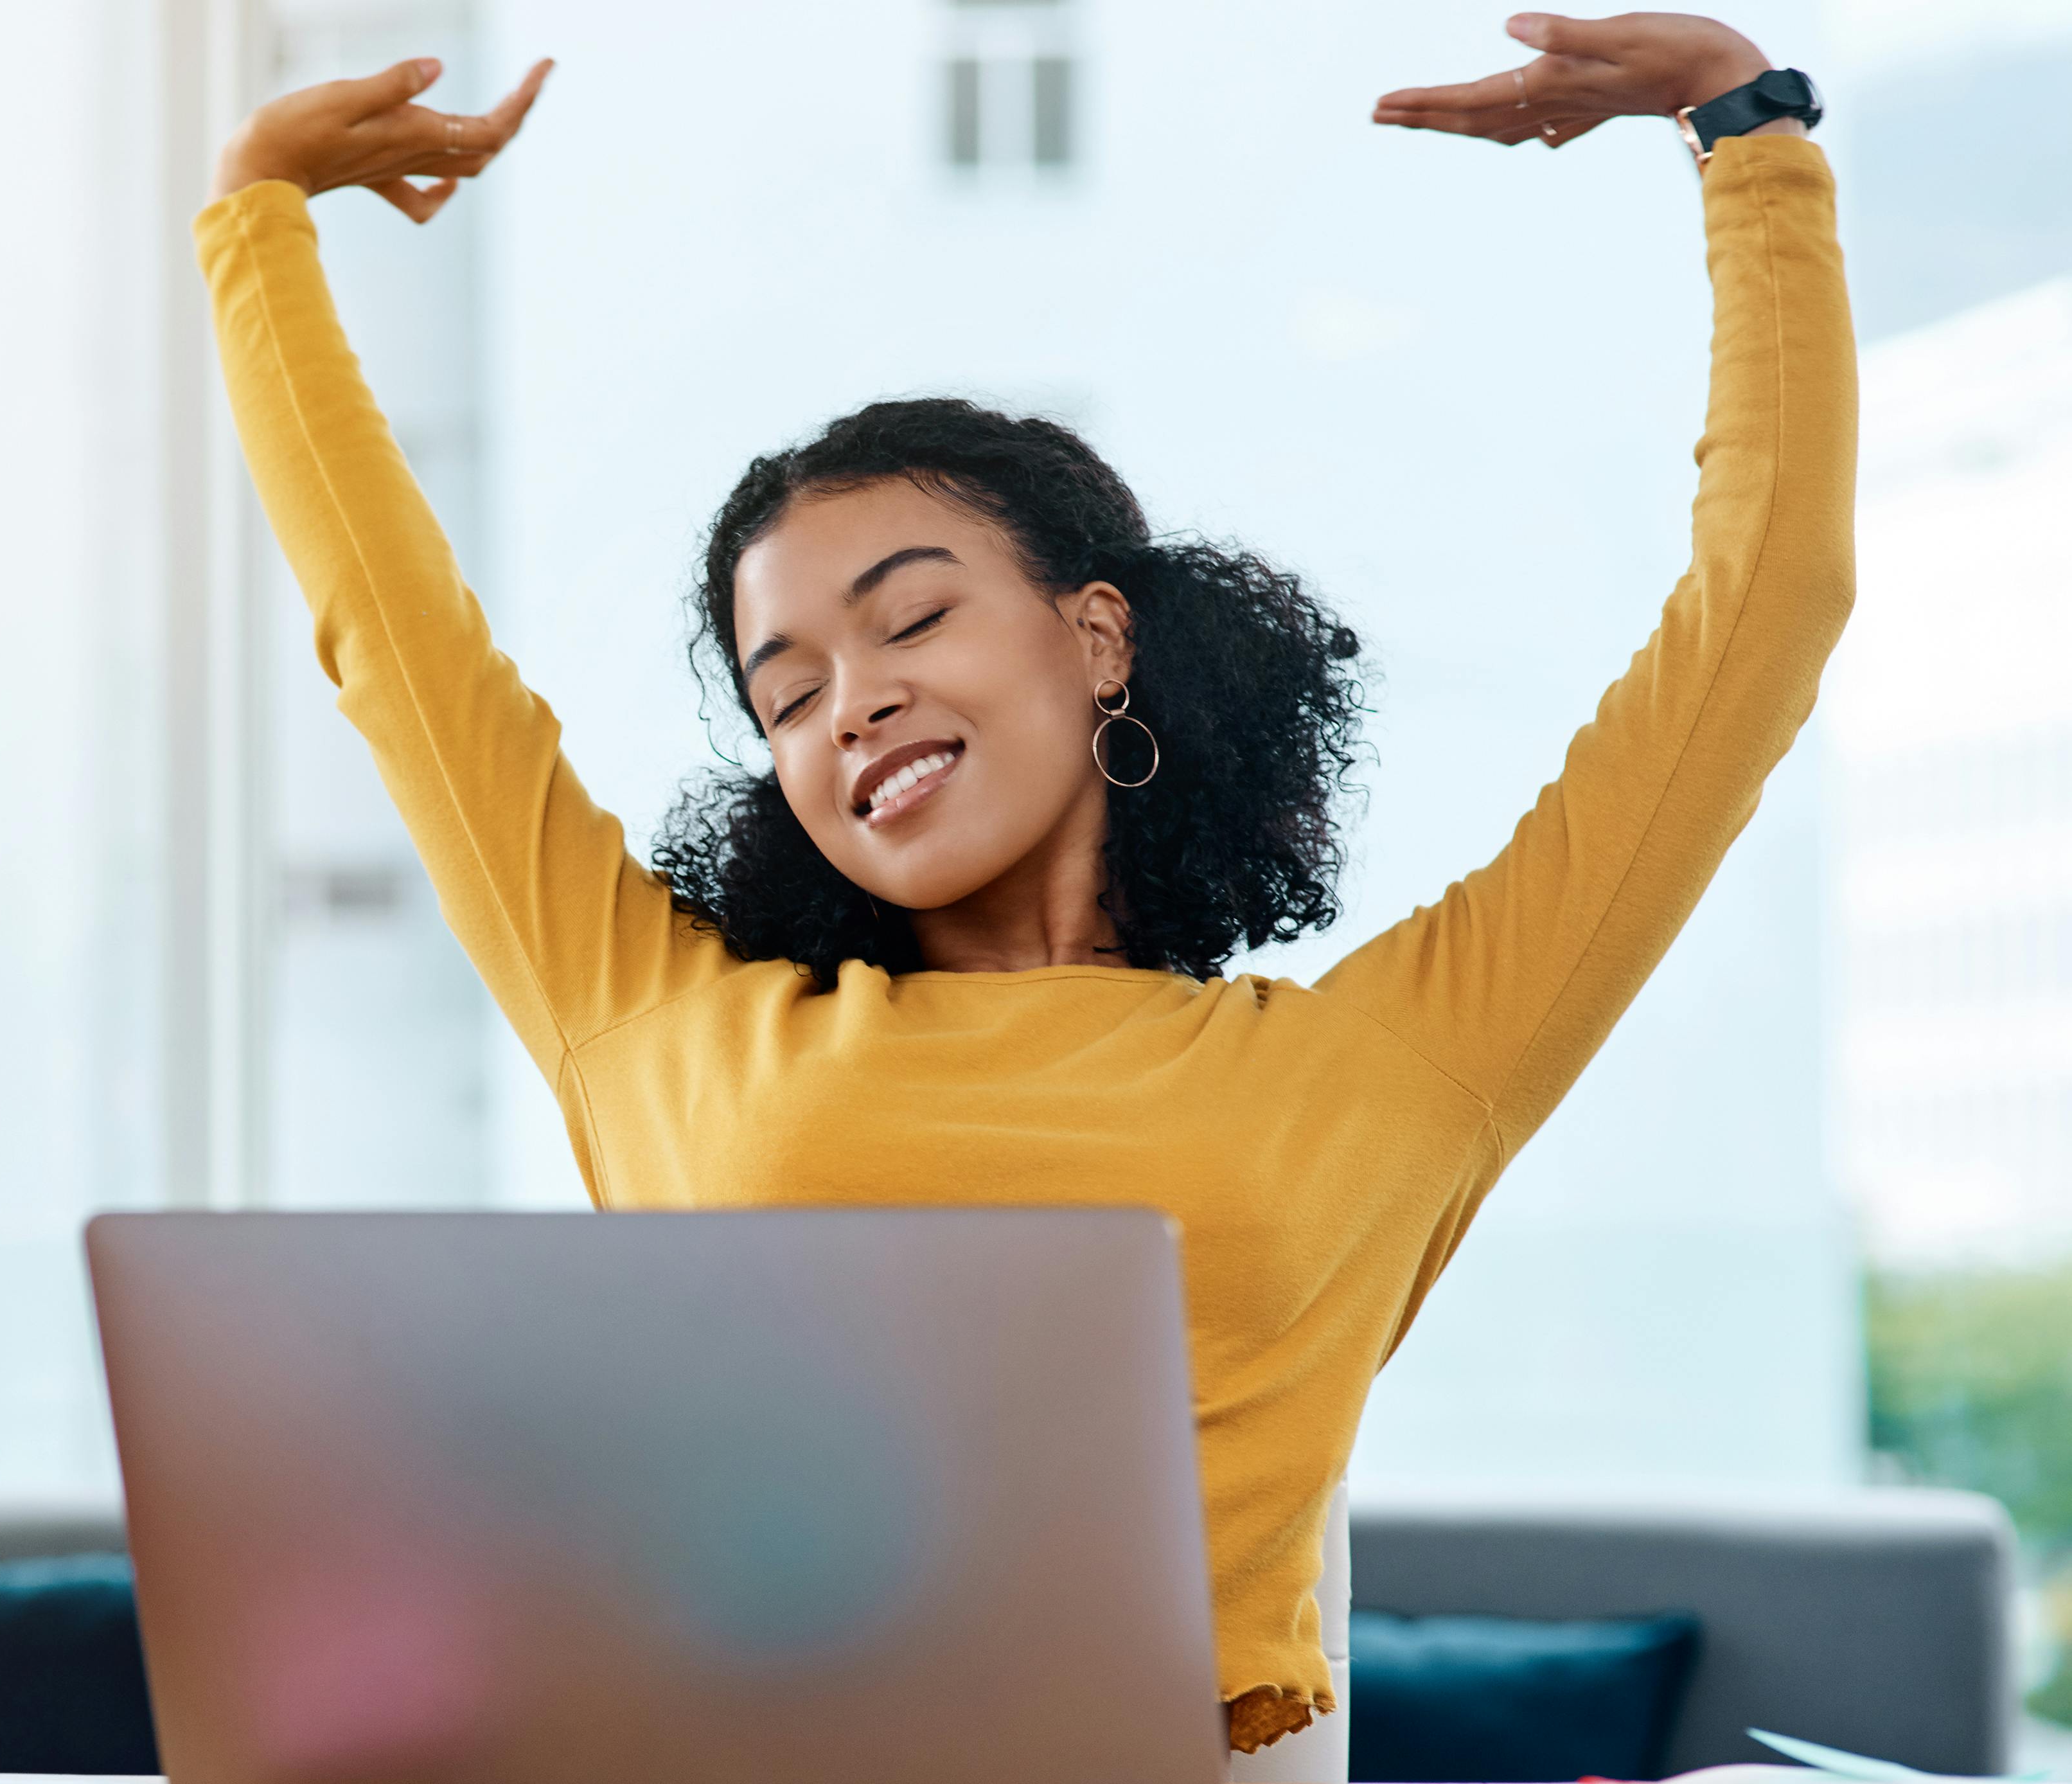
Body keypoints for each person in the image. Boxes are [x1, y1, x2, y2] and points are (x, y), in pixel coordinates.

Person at [193, 10, 1848, 1776]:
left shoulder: (1392, 1065)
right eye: (789, 692)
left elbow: (1763, 622)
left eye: (911, 620)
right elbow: (396, 642)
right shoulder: (659, 1025)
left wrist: (1749, 136)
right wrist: (254, 218)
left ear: (1098, 634)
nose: (858, 704)